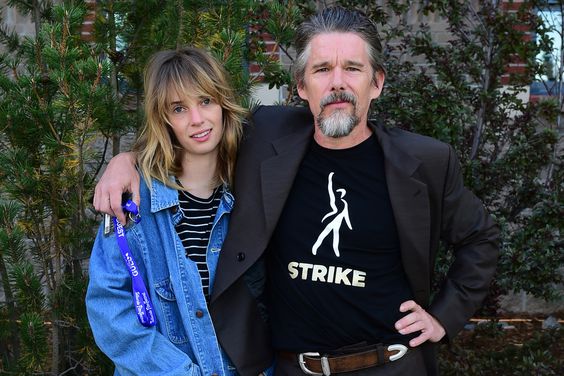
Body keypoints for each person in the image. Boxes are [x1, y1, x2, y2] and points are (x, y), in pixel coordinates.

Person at [93, 7, 499, 376]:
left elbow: (480, 238)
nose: (337, 83)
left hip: (390, 365)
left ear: (376, 82)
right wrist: (126, 161)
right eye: (322, 69)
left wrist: (443, 317)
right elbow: (192, 130)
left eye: (352, 69)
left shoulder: (425, 162)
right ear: (301, 86)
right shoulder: (266, 139)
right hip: (291, 369)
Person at [86, 46, 247, 375]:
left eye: (205, 101)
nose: (197, 119)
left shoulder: (251, 188)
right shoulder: (134, 199)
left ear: (222, 103)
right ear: (164, 118)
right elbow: (109, 308)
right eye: (179, 108)